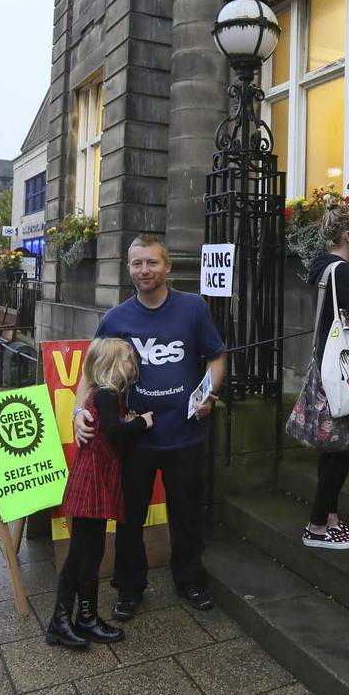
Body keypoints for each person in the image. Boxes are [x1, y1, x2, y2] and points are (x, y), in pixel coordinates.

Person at [74, 234, 226, 618]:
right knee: (129, 518)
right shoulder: (116, 318)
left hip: (184, 435)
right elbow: (90, 373)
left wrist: (207, 395)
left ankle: (189, 580)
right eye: (137, 263)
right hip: (133, 440)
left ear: (168, 266)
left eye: (152, 263)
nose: (145, 270)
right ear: (129, 269)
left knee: (187, 516)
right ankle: (129, 588)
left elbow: (217, 357)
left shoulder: (193, 309)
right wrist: (79, 413)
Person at [48, 337, 149, 648]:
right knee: (81, 552)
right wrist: (142, 423)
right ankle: (61, 619)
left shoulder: (108, 396)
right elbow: (114, 432)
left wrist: (125, 420)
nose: (135, 363)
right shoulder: (105, 395)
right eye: (130, 358)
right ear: (114, 366)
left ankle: (86, 617)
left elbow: (111, 430)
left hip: (97, 478)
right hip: (91, 480)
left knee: (91, 552)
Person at [304, 205, 349, 549]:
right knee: (344, 447)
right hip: (345, 371)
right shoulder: (342, 272)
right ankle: (318, 526)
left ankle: (330, 518)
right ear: (348, 235)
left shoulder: (322, 268)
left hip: (327, 364)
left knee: (332, 445)